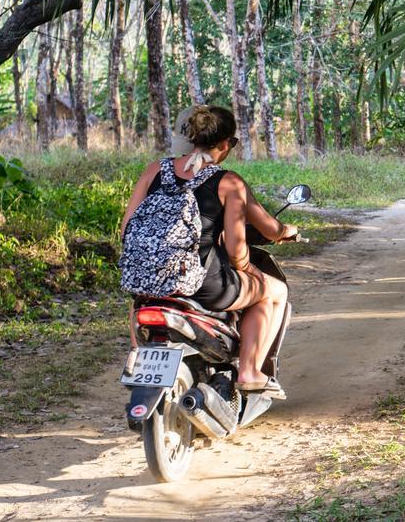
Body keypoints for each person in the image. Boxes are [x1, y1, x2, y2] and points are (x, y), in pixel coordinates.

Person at [121, 105, 297, 398]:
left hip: (145, 279)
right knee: (274, 291)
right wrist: (280, 237)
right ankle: (251, 371)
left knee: (140, 298)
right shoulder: (229, 182)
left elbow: (127, 227)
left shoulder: (155, 170)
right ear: (226, 144)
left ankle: (139, 361)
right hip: (204, 285)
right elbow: (238, 249)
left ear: (191, 138)